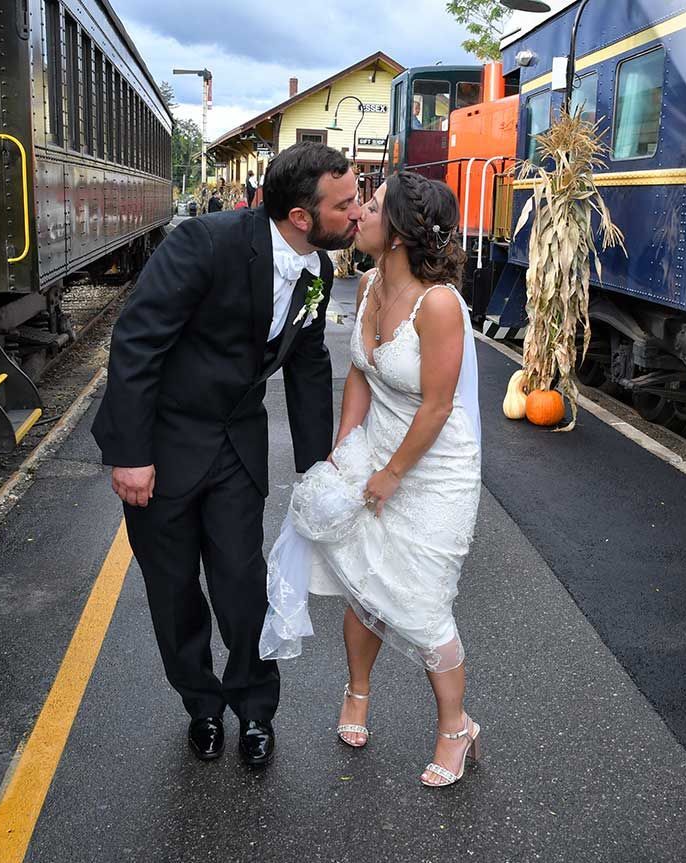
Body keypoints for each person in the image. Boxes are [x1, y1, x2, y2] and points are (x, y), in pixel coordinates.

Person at [92, 142, 360, 767]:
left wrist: (316, 466)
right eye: (346, 204)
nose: (358, 212)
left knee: (242, 585)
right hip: (161, 449)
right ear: (300, 215)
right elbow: (136, 343)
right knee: (175, 589)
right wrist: (130, 453)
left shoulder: (316, 271)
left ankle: (255, 712)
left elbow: (308, 362)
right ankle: (202, 706)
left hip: (237, 449)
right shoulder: (203, 244)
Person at [264, 170, 482, 787]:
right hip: (377, 451)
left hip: (433, 469)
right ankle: (357, 692)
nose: (358, 213)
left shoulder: (439, 306)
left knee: (420, 602)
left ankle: (456, 728)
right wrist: (342, 450)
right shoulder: (364, 283)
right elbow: (359, 373)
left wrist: (389, 475)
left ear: (401, 232)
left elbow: (438, 406)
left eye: (374, 206)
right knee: (363, 587)